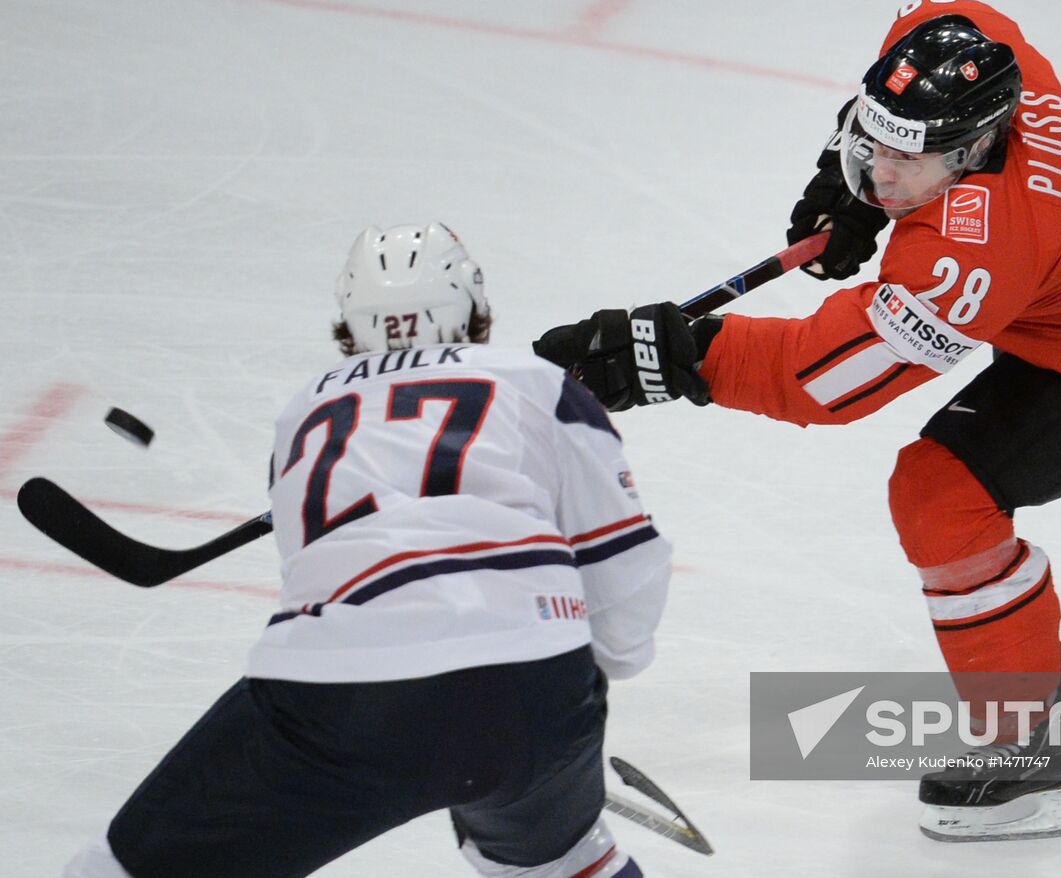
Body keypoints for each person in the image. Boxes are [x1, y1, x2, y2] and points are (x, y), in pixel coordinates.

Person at [533, 0, 1061, 842]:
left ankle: (1028, 758)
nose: (883, 174)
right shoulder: (986, 64)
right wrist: (850, 182)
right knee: (1059, 309)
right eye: (874, 141)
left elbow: (825, 382)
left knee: (941, 494)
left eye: (907, 161)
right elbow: (940, 10)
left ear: (977, 146)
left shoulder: (969, 256)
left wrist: (667, 355)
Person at [65, 222, 667, 877]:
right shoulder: (539, 385)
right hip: (532, 692)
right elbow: (625, 571)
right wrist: (575, 688)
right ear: (475, 306)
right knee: (568, 862)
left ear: (350, 325)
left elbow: (323, 573)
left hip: (343, 700)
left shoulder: (305, 413)